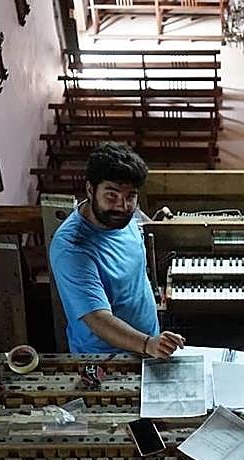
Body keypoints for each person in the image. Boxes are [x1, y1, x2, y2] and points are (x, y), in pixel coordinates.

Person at [49, 143, 184, 357]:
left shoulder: (123, 215)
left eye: (130, 196)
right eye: (112, 195)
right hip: (107, 357)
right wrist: (147, 343)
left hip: (148, 342)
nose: (123, 206)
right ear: (90, 189)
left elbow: (141, 221)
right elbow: (97, 318)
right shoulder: (72, 248)